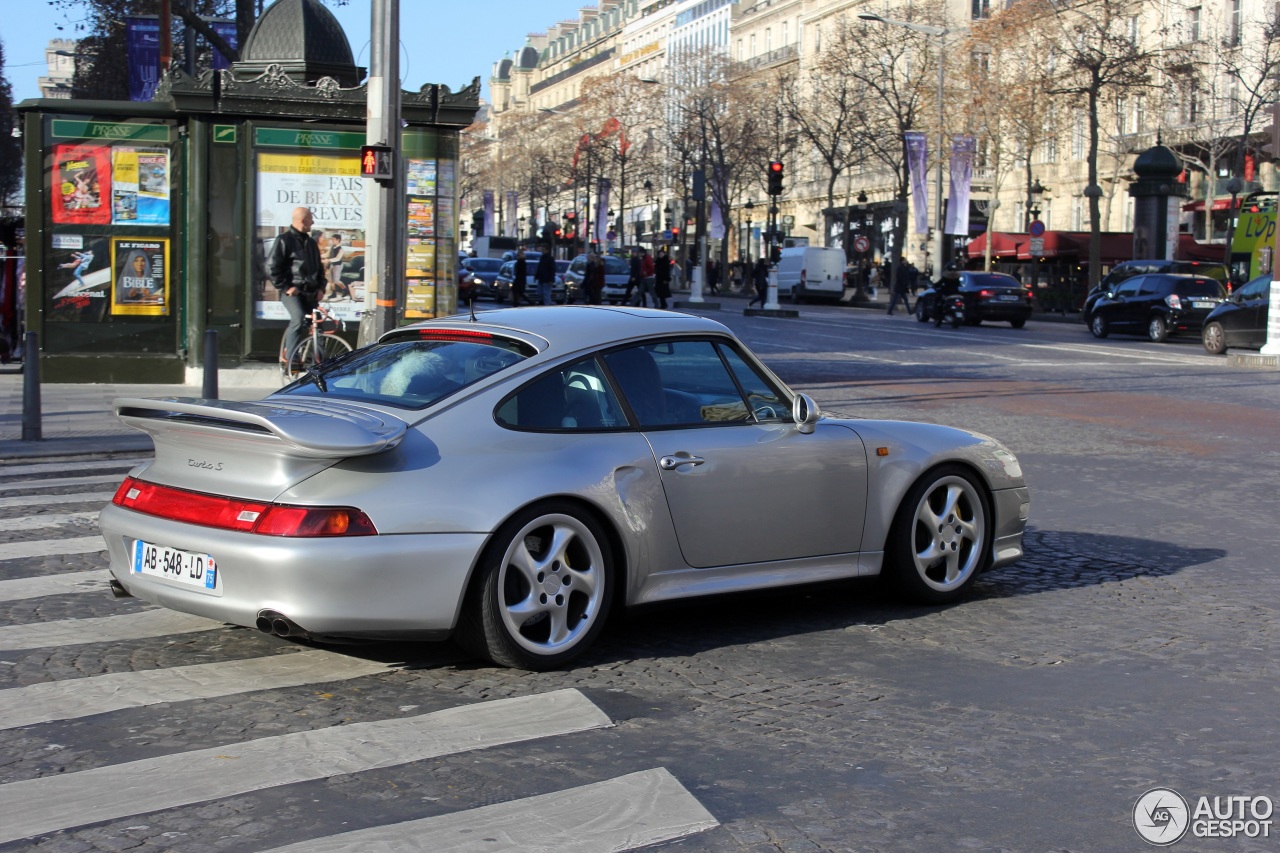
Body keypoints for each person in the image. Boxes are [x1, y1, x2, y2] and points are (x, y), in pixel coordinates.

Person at [268, 206, 326, 363]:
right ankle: (291, 357)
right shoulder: (284, 240)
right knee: (299, 318)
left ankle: (320, 364)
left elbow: (320, 269)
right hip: (293, 293)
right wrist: (287, 287)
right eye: (311, 219)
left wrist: (321, 287)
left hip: (311, 292)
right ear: (303, 220)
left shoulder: (311, 243)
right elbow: (272, 267)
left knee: (318, 325)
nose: (313, 222)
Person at [322, 234, 346, 301]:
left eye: (333, 239)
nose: (332, 241)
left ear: (338, 240)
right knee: (331, 280)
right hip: (332, 265)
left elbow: (337, 258)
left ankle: (345, 289)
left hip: (338, 265)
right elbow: (327, 254)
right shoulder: (332, 247)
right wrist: (320, 255)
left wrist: (328, 260)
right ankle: (334, 293)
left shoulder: (341, 249)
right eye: (332, 239)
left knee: (336, 280)